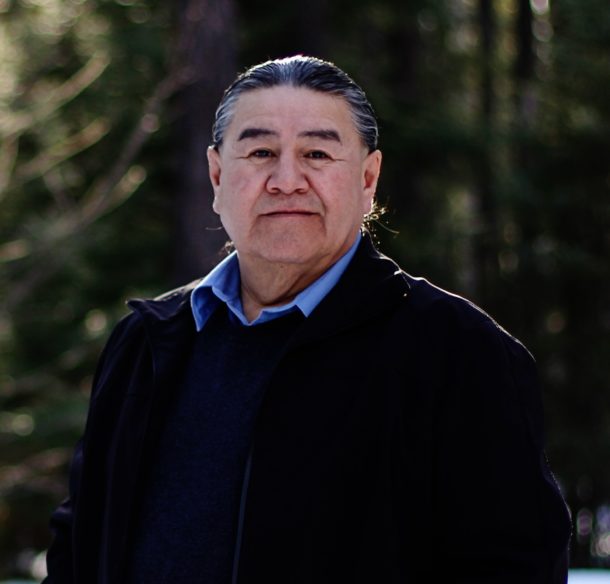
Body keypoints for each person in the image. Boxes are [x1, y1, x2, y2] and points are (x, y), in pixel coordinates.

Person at [44, 55, 571, 584]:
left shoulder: (458, 352)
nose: (286, 180)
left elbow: (516, 569)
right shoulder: (147, 342)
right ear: (217, 175)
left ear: (368, 179)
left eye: (317, 153)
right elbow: (81, 545)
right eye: (260, 152)